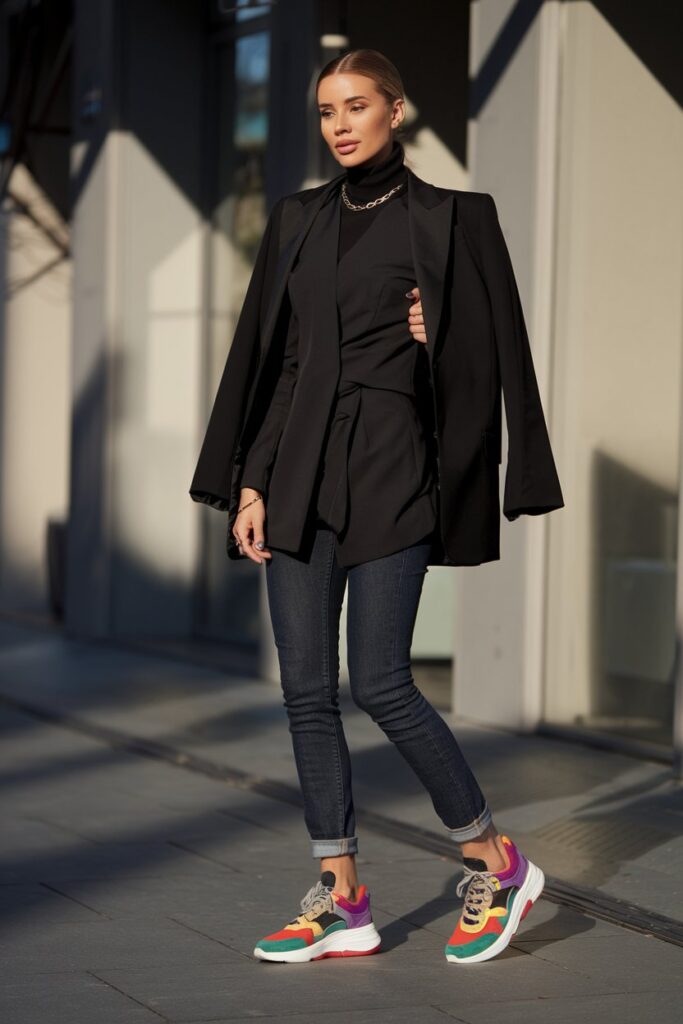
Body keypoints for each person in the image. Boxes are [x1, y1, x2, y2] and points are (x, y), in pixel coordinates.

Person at [190, 48, 563, 966]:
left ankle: (494, 860)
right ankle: (343, 896)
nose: (340, 124)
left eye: (357, 106)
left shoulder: (451, 220)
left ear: (397, 111)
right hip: (300, 475)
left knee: (380, 682)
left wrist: (446, 336)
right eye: (326, 111)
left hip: (397, 468)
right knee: (305, 691)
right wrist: (252, 480)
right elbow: (280, 363)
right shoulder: (299, 220)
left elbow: (493, 358)